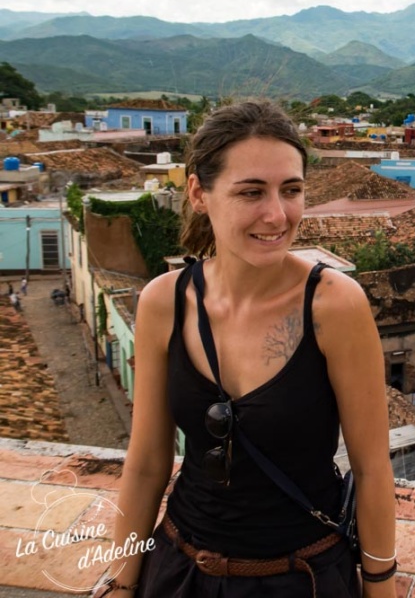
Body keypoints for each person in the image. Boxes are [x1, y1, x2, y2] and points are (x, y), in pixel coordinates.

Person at [95, 100, 396, 598]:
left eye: (291, 190)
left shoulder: (334, 306)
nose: (276, 215)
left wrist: (380, 586)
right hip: (181, 570)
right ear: (198, 193)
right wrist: (122, 579)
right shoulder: (164, 302)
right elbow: (148, 460)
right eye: (251, 192)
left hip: (302, 578)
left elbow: (371, 467)